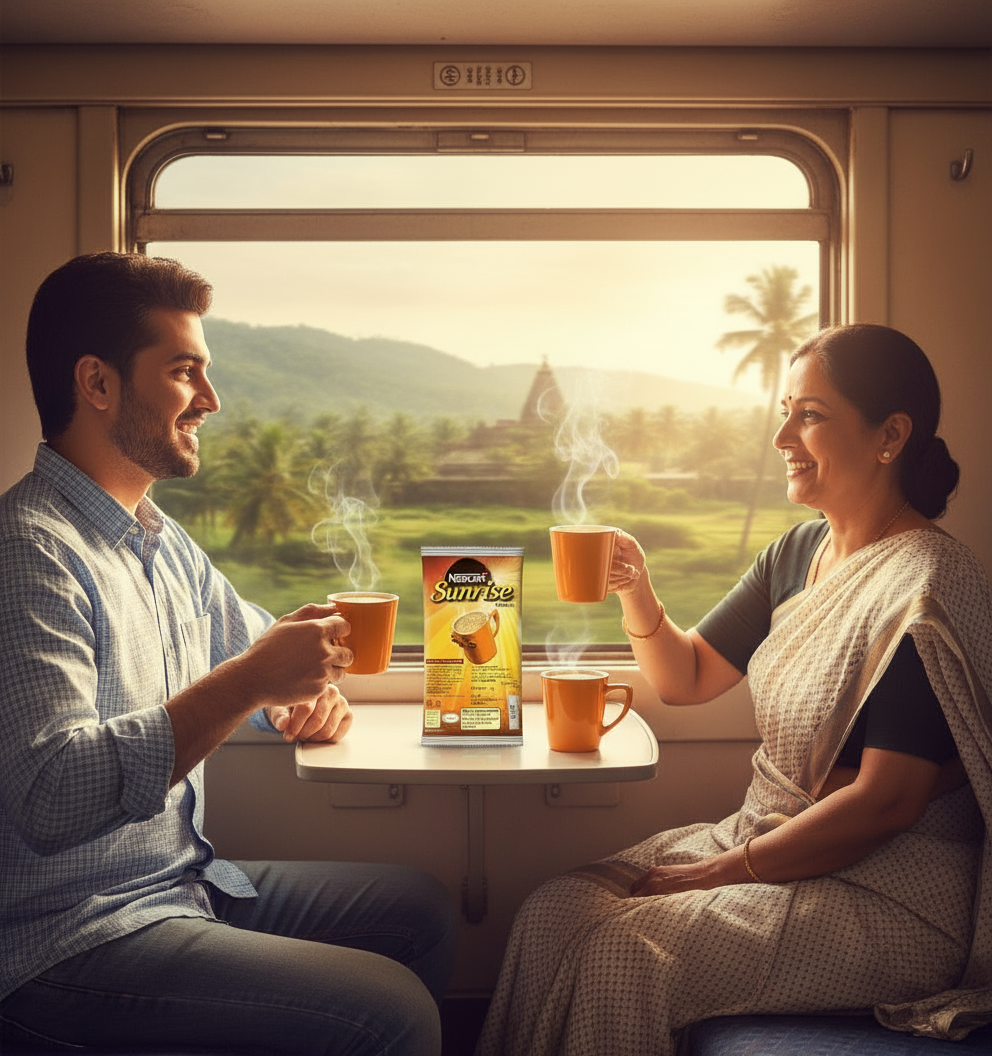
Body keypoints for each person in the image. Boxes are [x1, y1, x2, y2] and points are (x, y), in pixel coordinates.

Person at [476, 324, 992, 1055]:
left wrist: (716, 874)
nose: (782, 437)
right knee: (553, 910)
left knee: (624, 951)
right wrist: (636, 589)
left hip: (892, 892)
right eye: (785, 412)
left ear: (890, 436)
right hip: (772, 838)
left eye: (810, 415)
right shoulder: (798, 551)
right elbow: (686, 678)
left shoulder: (925, 585)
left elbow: (888, 802)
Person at [0, 253, 456, 1055]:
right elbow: (51, 794)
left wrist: (296, 695)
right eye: (185, 372)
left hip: (179, 884)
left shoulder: (160, 541)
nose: (210, 399)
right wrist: (252, 683)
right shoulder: (29, 552)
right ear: (98, 383)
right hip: (70, 938)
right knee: (392, 1013)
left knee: (421, 911)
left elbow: (251, 652)